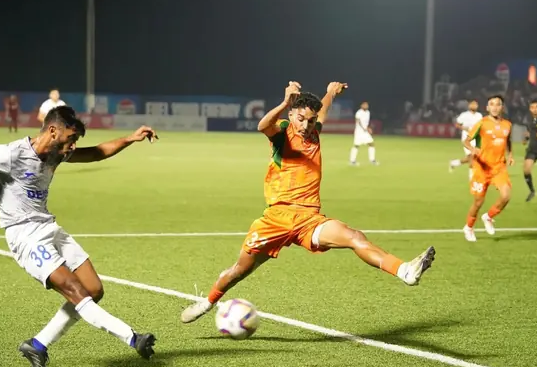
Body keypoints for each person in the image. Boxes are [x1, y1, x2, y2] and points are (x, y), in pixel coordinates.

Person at [0, 106, 158, 367]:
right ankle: (132, 338)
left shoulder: (57, 153)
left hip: (49, 227)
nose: (73, 147)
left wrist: (130, 138)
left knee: (93, 289)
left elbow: (97, 152)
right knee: (75, 290)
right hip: (24, 235)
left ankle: (37, 345)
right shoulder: (11, 154)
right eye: (71, 139)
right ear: (53, 131)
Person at [181, 82, 436, 324]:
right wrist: (284, 102)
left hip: (308, 220)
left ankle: (404, 271)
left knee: (354, 236)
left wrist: (330, 92)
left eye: (311, 121)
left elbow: (322, 110)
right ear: (291, 115)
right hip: (276, 218)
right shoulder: (282, 132)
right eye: (301, 119)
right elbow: (263, 125)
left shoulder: (314, 132)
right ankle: (208, 301)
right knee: (240, 270)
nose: (305, 125)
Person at [462, 95, 514, 242]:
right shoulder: (482, 123)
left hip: (499, 167)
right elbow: (466, 141)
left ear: (502, 107)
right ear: (487, 107)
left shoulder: (507, 125)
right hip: (482, 168)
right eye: (492, 104)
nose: (495, 107)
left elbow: (508, 141)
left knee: (506, 195)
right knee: (478, 202)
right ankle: (468, 227)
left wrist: (510, 155)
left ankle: (488, 217)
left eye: (498, 104)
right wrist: (473, 149)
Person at [449, 99, 483, 179]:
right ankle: (472, 178)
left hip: (476, 138)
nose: (474, 106)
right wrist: (464, 128)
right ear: (469, 105)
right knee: (472, 156)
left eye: (475, 104)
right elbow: (457, 124)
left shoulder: (479, 115)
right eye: (472, 104)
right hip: (467, 139)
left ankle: (454, 163)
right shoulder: (464, 115)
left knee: (471, 157)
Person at [350, 101, 379, 166]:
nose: (366, 106)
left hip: (365, 132)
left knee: (371, 144)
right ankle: (352, 161)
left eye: (367, 105)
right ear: (361, 106)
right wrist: (364, 128)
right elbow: (358, 121)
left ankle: (372, 160)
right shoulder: (359, 112)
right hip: (359, 132)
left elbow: (366, 122)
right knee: (356, 145)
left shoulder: (368, 112)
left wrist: (368, 128)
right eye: (364, 105)